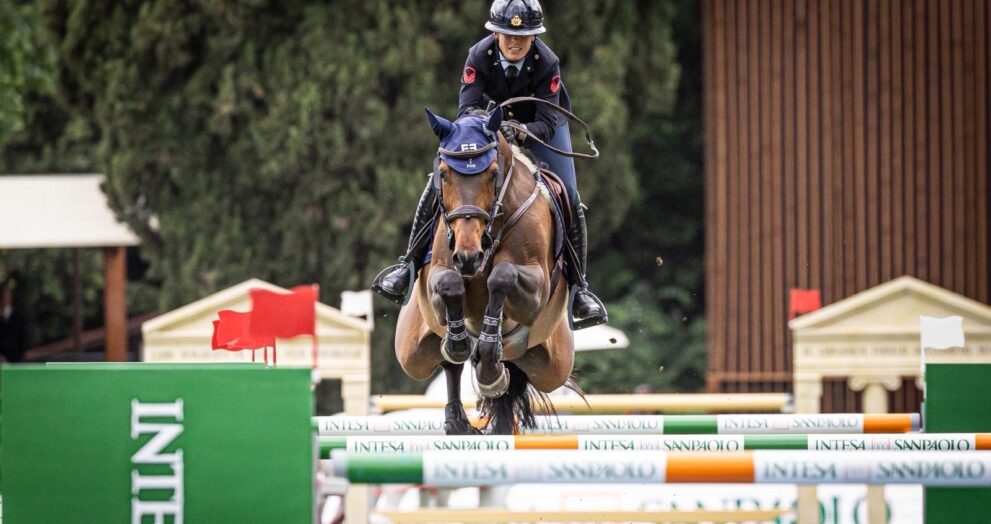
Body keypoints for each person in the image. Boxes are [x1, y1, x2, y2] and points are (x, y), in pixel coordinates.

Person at [373, 0, 607, 329]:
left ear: (534, 36)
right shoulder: (478, 55)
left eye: (523, 36)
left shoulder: (547, 62)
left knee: (568, 192)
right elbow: (466, 110)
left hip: (540, 129)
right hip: (485, 126)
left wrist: (521, 131)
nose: (515, 42)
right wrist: (493, 128)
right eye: (508, 35)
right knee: (437, 179)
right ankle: (407, 265)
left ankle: (580, 288)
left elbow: (547, 121)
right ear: (495, 34)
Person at [0, 276, 26, 362]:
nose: (4, 298)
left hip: (15, 361)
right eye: (2, 296)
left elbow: (22, 341)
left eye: (6, 295)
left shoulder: (19, 317)